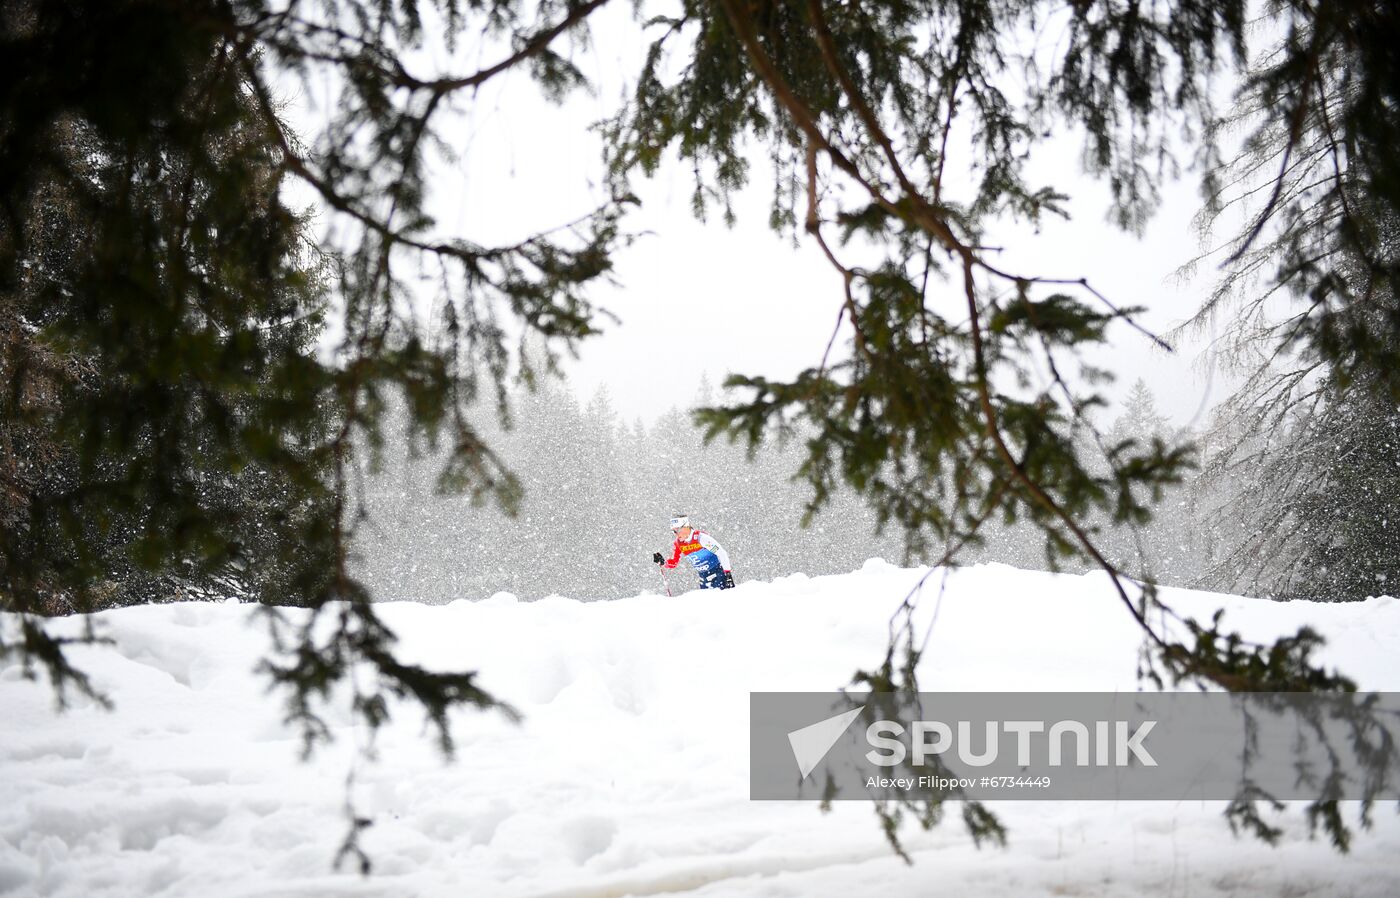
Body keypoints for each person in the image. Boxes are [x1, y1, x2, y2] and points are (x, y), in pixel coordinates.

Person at [652, 515, 736, 589]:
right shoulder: (679, 544)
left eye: (677, 530)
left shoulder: (701, 538)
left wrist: (728, 574)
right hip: (704, 578)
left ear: (686, 527)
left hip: (718, 574)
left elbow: (721, 553)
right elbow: (673, 562)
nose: (676, 534)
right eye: (673, 531)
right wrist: (663, 563)